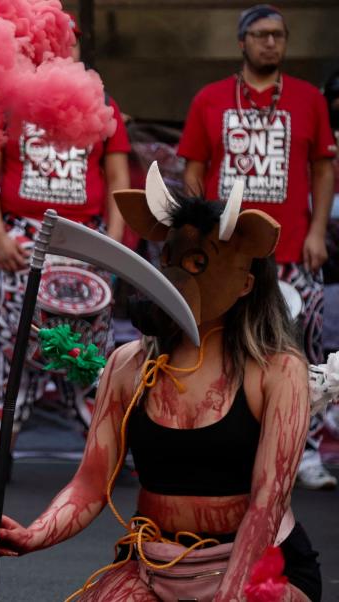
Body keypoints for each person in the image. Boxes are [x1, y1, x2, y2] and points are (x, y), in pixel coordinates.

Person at [0, 177, 321, 601]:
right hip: (156, 566)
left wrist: (229, 597)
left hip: (257, 569)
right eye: (170, 259)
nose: (174, 276)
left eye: (197, 264)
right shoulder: (128, 365)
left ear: (245, 284)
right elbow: (91, 482)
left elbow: (266, 505)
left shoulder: (277, 370)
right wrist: (34, 534)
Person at [178, 4, 337, 490]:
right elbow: (192, 169)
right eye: (261, 34)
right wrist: (204, 232)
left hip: (291, 250)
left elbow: (324, 169)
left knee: (298, 353)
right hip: (228, 254)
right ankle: (223, 445)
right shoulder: (210, 98)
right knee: (222, 347)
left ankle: (303, 452)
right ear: (241, 42)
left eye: (280, 35)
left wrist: (314, 231)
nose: (271, 43)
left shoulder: (309, 99)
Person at [0, 15, 131, 487]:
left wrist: (114, 247)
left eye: (71, 47)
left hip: (88, 239)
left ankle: (103, 457)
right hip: (22, 240)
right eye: (54, 46)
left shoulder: (104, 105)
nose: (63, 54)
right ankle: (2, 451)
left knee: (90, 352)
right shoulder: (4, 106)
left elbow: (120, 178)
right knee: (10, 347)